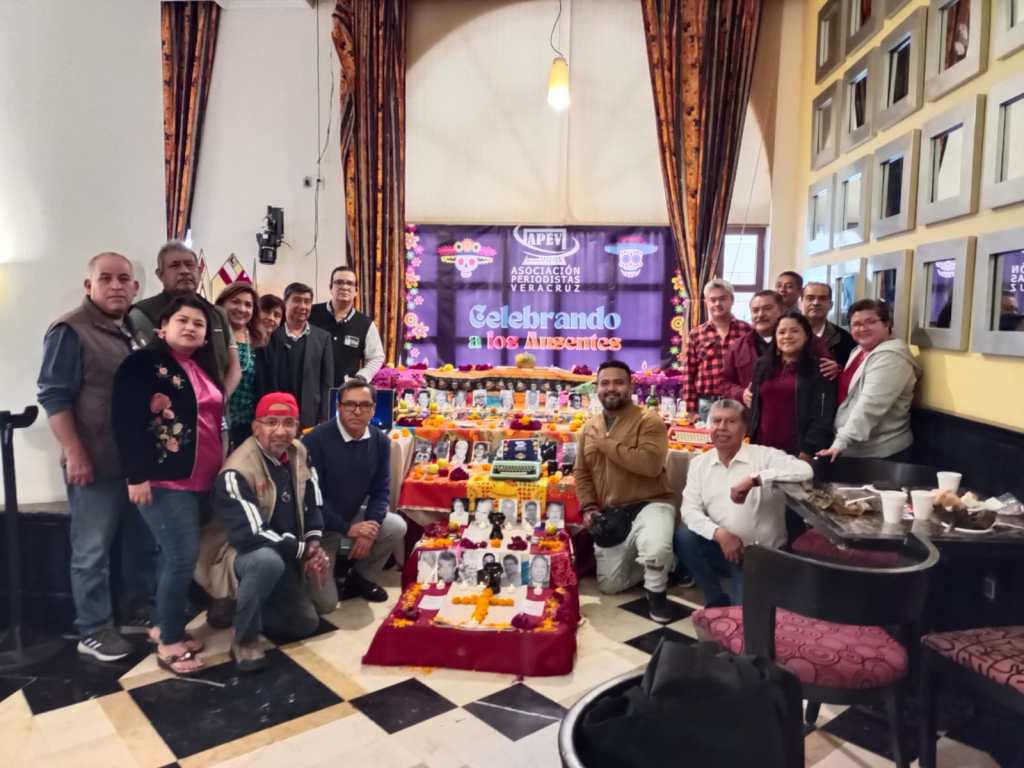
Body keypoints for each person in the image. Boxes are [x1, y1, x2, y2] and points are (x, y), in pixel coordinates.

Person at [37, 252, 156, 661]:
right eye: (106, 278)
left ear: (136, 287)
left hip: (134, 463)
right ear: (89, 285)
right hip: (94, 462)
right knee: (91, 551)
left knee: (139, 543)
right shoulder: (70, 330)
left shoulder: (136, 330)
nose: (116, 285)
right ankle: (93, 628)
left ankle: (135, 611)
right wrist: (74, 453)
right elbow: (54, 397)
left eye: (124, 279)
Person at [112, 295, 226, 675]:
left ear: (206, 335)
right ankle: (171, 642)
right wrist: (136, 476)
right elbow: (125, 421)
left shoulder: (200, 367)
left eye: (198, 323)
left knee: (172, 557)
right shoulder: (143, 364)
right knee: (181, 557)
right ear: (163, 328)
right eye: (183, 320)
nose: (191, 327)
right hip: (164, 480)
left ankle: (164, 625)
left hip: (200, 479)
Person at [207, 393, 332, 672]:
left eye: (288, 423)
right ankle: (244, 638)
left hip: (287, 549)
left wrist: (314, 543)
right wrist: (303, 550)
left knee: (306, 623)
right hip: (242, 554)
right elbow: (251, 535)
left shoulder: (299, 452)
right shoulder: (237, 470)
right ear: (255, 427)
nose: (280, 431)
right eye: (271, 422)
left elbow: (313, 503)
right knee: (267, 562)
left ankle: (245, 604)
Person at [675, 400, 813, 607]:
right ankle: (715, 599)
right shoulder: (699, 464)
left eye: (731, 421)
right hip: (721, 548)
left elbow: (805, 470)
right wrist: (720, 534)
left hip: (759, 554)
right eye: (716, 421)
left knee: (745, 617)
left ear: (745, 428)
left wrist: (756, 479)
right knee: (684, 537)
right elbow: (689, 510)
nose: (722, 427)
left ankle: (747, 593)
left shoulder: (765, 456)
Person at [575, 361, 677, 623]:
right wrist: (588, 507)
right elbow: (582, 473)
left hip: (651, 503)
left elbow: (650, 465)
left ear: (631, 387)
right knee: (610, 585)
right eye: (605, 383)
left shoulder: (649, 420)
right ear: (596, 388)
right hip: (613, 513)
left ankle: (656, 590)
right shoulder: (589, 427)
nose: (611, 388)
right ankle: (669, 562)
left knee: (655, 549)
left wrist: (606, 444)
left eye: (619, 382)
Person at [302, 378, 407, 603]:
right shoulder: (315, 440)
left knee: (396, 526)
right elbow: (310, 499)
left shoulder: (380, 441)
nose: (357, 411)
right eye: (350, 404)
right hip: (321, 526)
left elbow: (381, 490)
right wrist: (347, 528)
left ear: (373, 409)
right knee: (326, 604)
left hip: (353, 515)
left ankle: (359, 577)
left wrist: (370, 529)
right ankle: (330, 571)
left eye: (364, 405)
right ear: (339, 407)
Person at [129, 240, 240, 393]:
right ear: (160, 275)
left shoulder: (218, 314)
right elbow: (138, 369)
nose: (184, 271)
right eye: (175, 266)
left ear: (199, 271)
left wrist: (220, 399)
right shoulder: (143, 313)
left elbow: (234, 368)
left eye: (189, 265)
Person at [817, 299, 921, 461]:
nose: (862, 328)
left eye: (870, 322)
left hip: (881, 453)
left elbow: (870, 406)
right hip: (854, 448)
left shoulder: (891, 358)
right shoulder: (859, 350)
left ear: (887, 324)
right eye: (856, 324)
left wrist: (840, 442)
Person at [749, 311, 837, 459]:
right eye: (781, 332)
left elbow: (823, 416)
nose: (787, 336)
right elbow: (755, 408)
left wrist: (808, 450)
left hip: (799, 451)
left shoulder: (821, 368)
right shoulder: (762, 365)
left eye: (794, 331)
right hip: (762, 448)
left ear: (806, 335)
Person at [263, 283, 334, 428]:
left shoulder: (323, 338)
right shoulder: (271, 335)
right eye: (297, 300)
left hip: (311, 416)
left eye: (307, 302)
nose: (303, 306)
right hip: (277, 414)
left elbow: (327, 382)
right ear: (285, 303)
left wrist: (324, 418)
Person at [681, 279, 752, 419]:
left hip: (737, 402)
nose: (717, 304)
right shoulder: (696, 333)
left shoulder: (747, 331)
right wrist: (691, 409)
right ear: (707, 302)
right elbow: (689, 373)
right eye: (712, 300)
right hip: (706, 403)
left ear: (732, 300)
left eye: (722, 299)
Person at [309, 266, 385, 385]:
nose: (344, 287)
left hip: (345, 391)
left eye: (349, 283)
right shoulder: (310, 314)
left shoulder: (365, 324)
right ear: (331, 288)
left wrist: (361, 377)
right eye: (339, 282)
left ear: (356, 291)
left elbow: (376, 357)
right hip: (310, 387)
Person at [216, 282, 266, 449]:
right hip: (218, 417)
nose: (242, 309)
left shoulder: (259, 339)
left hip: (249, 424)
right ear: (222, 304)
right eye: (235, 302)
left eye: (248, 305)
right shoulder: (212, 335)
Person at [801, 281, 857, 366]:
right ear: (801, 302)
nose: (816, 303)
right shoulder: (785, 334)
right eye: (810, 298)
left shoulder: (845, 340)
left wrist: (839, 369)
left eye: (822, 298)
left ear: (831, 304)